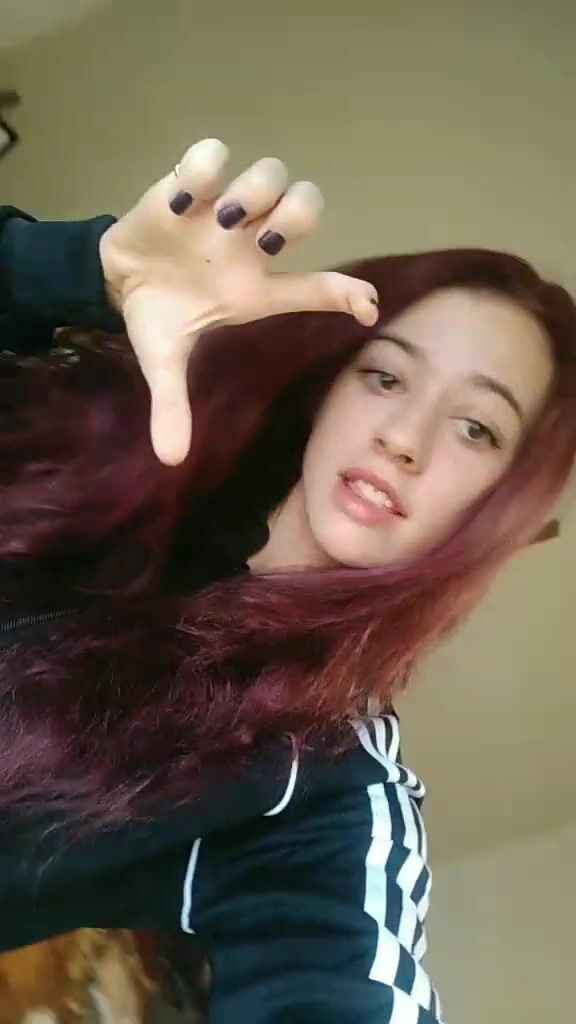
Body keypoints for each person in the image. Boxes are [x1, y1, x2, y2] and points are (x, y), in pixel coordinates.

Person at [0, 139, 575, 1024]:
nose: (405, 439)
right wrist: (83, 268)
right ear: (331, 384)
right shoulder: (127, 444)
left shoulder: (321, 784)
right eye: (386, 376)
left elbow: (339, 974)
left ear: (499, 508)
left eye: (476, 430)